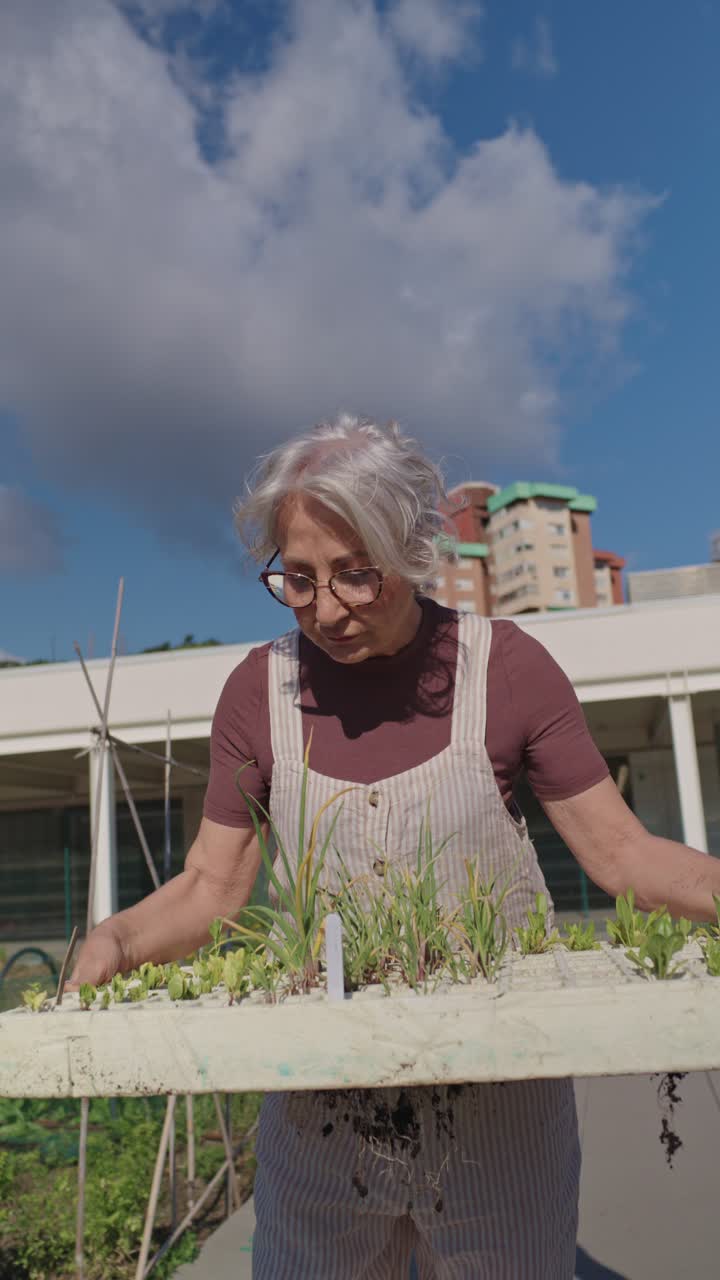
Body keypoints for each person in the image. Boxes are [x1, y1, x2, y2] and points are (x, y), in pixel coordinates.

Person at [72, 415, 720, 1279]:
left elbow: (623, 856)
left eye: (355, 575)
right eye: (296, 580)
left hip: (499, 1111)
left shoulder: (506, 669)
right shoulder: (258, 692)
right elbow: (208, 889)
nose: (326, 609)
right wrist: (116, 939)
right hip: (322, 1120)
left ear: (414, 552)